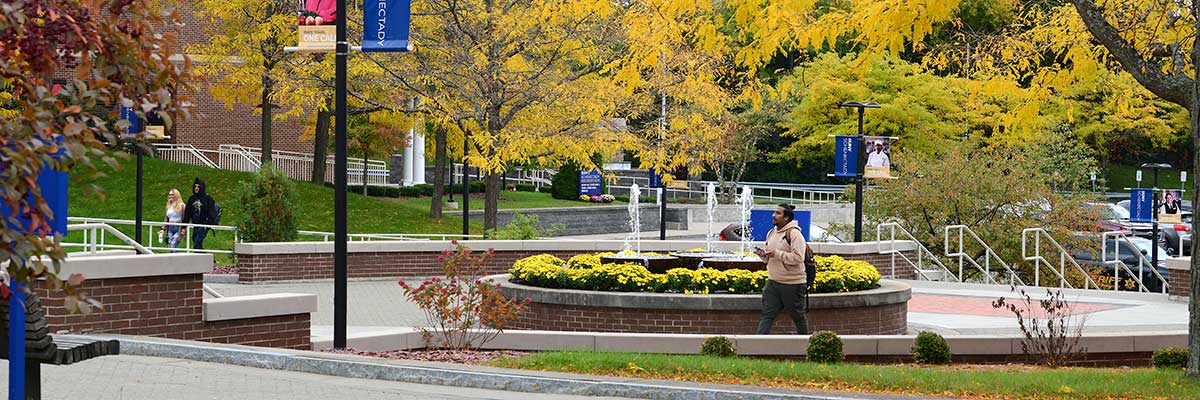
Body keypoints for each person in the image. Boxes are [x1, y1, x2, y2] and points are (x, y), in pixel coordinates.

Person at [754, 204, 808, 335]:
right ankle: (757, 346)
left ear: (786, 217)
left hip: (792, 284)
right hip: (773, 282)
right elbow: (770, 258)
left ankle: (805, 344)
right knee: (767, 315)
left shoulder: (794, 234)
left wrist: (776, 254)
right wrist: (763, 256)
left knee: (798, 316)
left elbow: (798, 258)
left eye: (778, 213)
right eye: (774, 212)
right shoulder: (771, 233)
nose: (773, 215)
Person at [183, 178, 216, 250]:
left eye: (198, 186)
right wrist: (183, 227)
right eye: (195, 186)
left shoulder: (208, 198)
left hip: (204, 225)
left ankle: (207, 259)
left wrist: (209, 223)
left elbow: (212, 212)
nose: (196, 188)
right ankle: (208, 259)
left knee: (197, 242)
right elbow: (187, 214)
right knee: (195, 240)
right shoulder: (191, 199)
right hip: (196, 224)